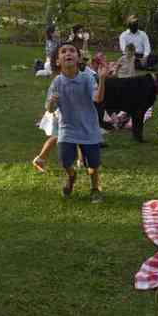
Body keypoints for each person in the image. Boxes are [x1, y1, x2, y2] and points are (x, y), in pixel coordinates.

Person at [46, 42, 108, 203]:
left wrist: (101, 79)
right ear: (58, 61)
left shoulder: (87, 78)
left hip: (89, 128)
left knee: (93, 165)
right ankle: (72, 176)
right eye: (64, 51)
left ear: (78, 58)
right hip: (67, 128)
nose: (68, 53)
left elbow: (97, 98)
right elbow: (50, 109)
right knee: (65, 161)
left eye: (72, 51)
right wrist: (52, 102)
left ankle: (95, 188)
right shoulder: (57, 82)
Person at [33, 46, 61, 173]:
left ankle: (81, 161)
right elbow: (49, 105)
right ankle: (40, 158)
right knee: (57, 136)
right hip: (58, 114)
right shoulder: (58, 81)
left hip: (71, 114)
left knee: (77, 135)